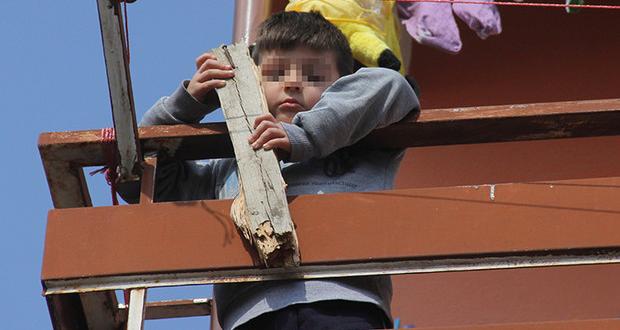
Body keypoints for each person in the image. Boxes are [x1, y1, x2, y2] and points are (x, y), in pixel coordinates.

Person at [125, 11, 419, 330]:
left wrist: (301, 136)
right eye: (276, 74)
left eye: (314, 76)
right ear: (252, 82)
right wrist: (186, 104)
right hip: (252, 314)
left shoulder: (361, 144)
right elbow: (144, 182)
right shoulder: (227, 164)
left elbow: (392, 85)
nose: (293, 83)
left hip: (346, 303)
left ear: (343, 86)